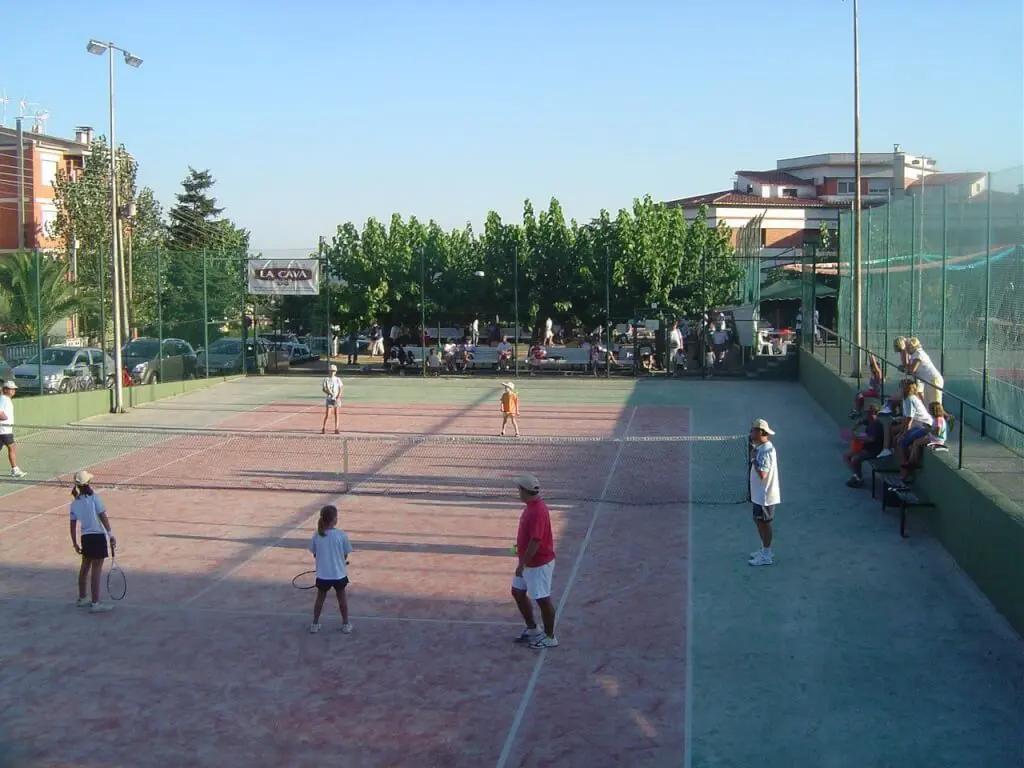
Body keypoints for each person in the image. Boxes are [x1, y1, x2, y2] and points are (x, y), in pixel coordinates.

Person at [510, 474, 557, 649]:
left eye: (519, 489)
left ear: (524, 491)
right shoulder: (531, 506)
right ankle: (533, 629)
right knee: (517, 592)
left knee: (543, 600)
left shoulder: (537, 511)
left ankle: (550, 636)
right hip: (528, 563)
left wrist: (522, 564)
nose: (518, 492)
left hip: (537, 564)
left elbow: (536, 541)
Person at [69, 471, 116, 613]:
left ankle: (82, 597)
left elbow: (72, 526)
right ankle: (95, 603)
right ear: (88, 483)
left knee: (85, 567)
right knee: (96, 571)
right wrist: (111, 535)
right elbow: (103, 517)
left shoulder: (74, 503)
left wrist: (75, 543)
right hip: (98, 537)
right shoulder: (95, 498)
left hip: (86, 538)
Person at [308, 504, 353, 634]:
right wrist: (340, 561)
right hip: (339, 575)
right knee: (342, 599)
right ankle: (346, 624)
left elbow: (315, 554)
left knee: (319, 599)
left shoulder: (317, 535)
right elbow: (345, 554)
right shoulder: (341, 535)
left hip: (323, 576)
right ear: (334, 519)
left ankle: (315, 624)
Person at [749, 418, 781, 566]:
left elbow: (763, 474)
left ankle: (767, 555)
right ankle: (763, 549)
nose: (751, 433)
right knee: (758, 520)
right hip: (758, 495)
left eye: (753, 430)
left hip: (765, 496)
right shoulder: (761, 448)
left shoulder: (766, 451)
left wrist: (754, 460)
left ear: (760, 432)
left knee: (764, 524)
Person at [845, 403, 884, 488]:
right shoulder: (869, 421)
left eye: (867, 412)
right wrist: (855, 427)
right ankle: (857, 476)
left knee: (855, 459)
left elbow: (872, 439)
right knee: (847, 456)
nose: (865, 414)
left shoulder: (877, 424)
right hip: (865, 447)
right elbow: (859, 423)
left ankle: (858, 479)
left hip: (873, 451)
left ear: (872, 413)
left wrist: (858, 438)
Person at [0, 380, 25, 479]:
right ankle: (15, 470)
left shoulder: (6, 399)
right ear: (5, 390)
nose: (13, 391)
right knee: (12, 448)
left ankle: (15, 469)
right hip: (4, 430)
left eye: (14, 389)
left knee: (11, 448)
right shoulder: (3, 399)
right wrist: (4, 418)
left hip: (5, 430)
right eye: (11, 389)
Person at [321, 364, 343, 434]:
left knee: (337, 414)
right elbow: (324, 389)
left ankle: (336, 428)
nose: (332, 372)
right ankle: (324, 428)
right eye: (331, 371)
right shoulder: (326, 379)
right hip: (329, 399)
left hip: (336, 399)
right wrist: (329, 393)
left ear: (336, 371)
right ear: (329, 371)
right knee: (328, 414)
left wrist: (338, 397)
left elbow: (340, 389)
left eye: (334, 371)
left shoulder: (338, 379)